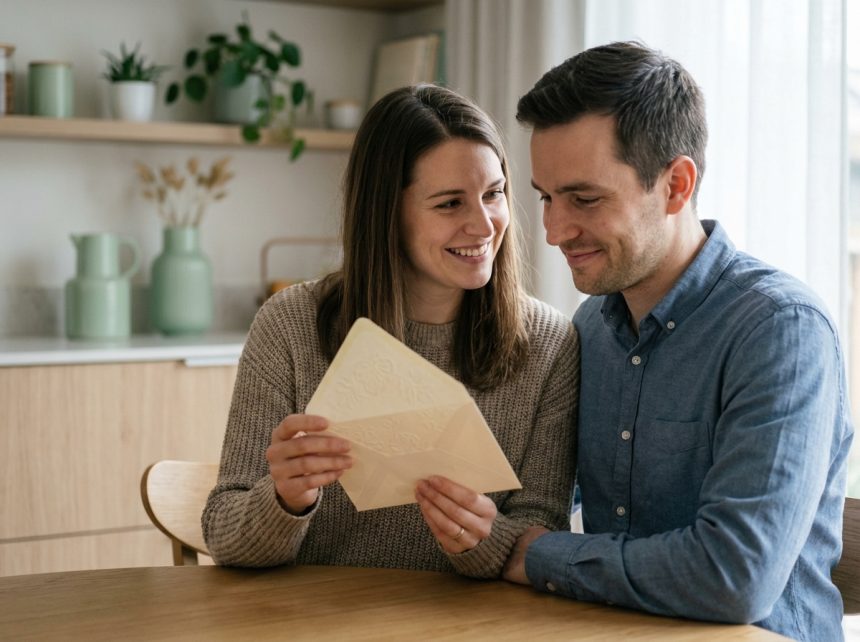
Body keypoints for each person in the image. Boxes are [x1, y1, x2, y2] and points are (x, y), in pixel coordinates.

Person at [502, 41, 854, 641]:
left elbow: (732, 576)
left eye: (585, 198)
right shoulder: (589, 327)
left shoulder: (781, 330)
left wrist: (534, 555)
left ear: (676, 185)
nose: (555, 231)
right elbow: (540, 492)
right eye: (545, 197)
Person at [202, 84, 579, 579]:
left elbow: (541, 534)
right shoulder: (291, 324)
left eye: (493, 194)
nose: (484, 225)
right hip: (309, 623)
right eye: (449, 204)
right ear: (386, 214)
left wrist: (486, 540)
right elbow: (224, 534)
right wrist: (284, 499)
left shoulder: (550, 344)